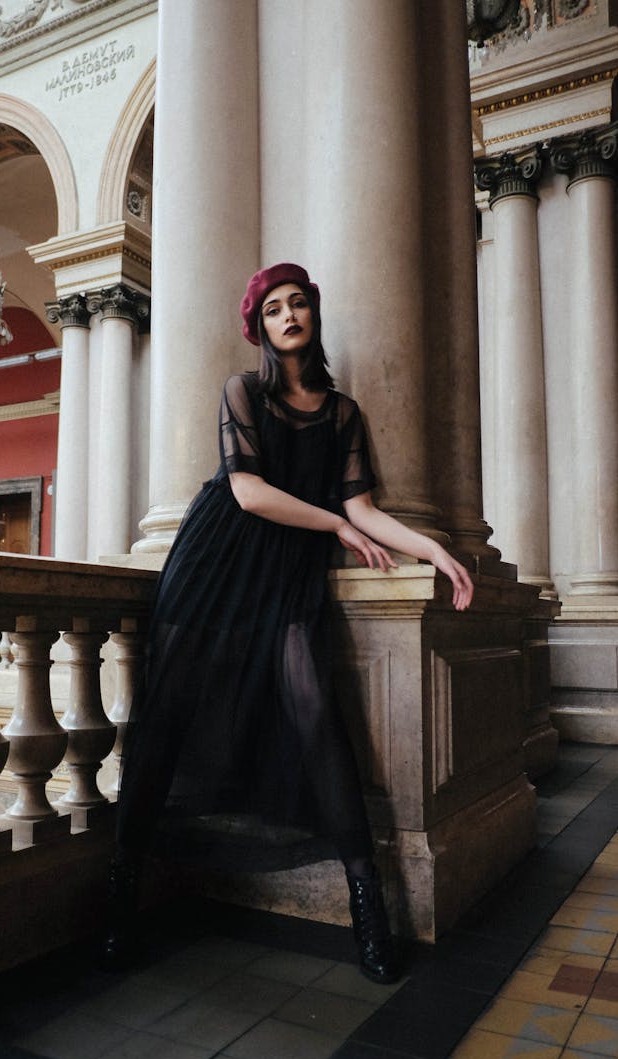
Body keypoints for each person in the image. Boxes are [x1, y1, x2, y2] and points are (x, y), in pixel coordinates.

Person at [106, 262, 474, 984]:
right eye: (274, 308)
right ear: (261, 328)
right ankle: (120, 896)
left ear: (312, 315)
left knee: (315, 712)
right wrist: (334, 524)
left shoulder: (342, 413)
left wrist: (435, 548)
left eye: (298, 302)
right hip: (216, 562)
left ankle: (368, 902)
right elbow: (245, 491)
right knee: (170, 715)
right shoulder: (242, 391)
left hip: (286, 575)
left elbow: (365, 509)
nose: (289, 315)